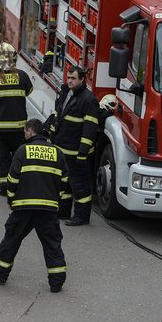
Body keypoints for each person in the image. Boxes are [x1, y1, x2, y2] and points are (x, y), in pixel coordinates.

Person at [0, 118, 70, 293]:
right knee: (52, 244)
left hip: (23, 207)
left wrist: (11, 200)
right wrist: (56, 200)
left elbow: (12, 180)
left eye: (25, 132)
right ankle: (56, 282)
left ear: (31, 132)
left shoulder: (23, 151)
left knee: (12, 239)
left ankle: (0, 272)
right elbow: (64, 180)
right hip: (48, 209)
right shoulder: (57, 152)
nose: (24, 135)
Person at [48, 65, 100, 226]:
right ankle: (63, 211)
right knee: (64, 183)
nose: (70, 81)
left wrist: (83, 152)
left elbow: (90, 128)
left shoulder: (88, 100)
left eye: (73, 78)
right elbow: (58, 117)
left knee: (80, 186)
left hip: (77, 152)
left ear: (82, 79)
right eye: (68, 77)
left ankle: (81, 216)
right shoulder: (65, 93)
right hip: (63, 148)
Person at [0, 42, 34, 196]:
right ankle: (18, 185)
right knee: (19, 157)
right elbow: (29, 91)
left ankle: (5, 187)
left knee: (2, 157)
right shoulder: (22, 76)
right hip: (18, 128)